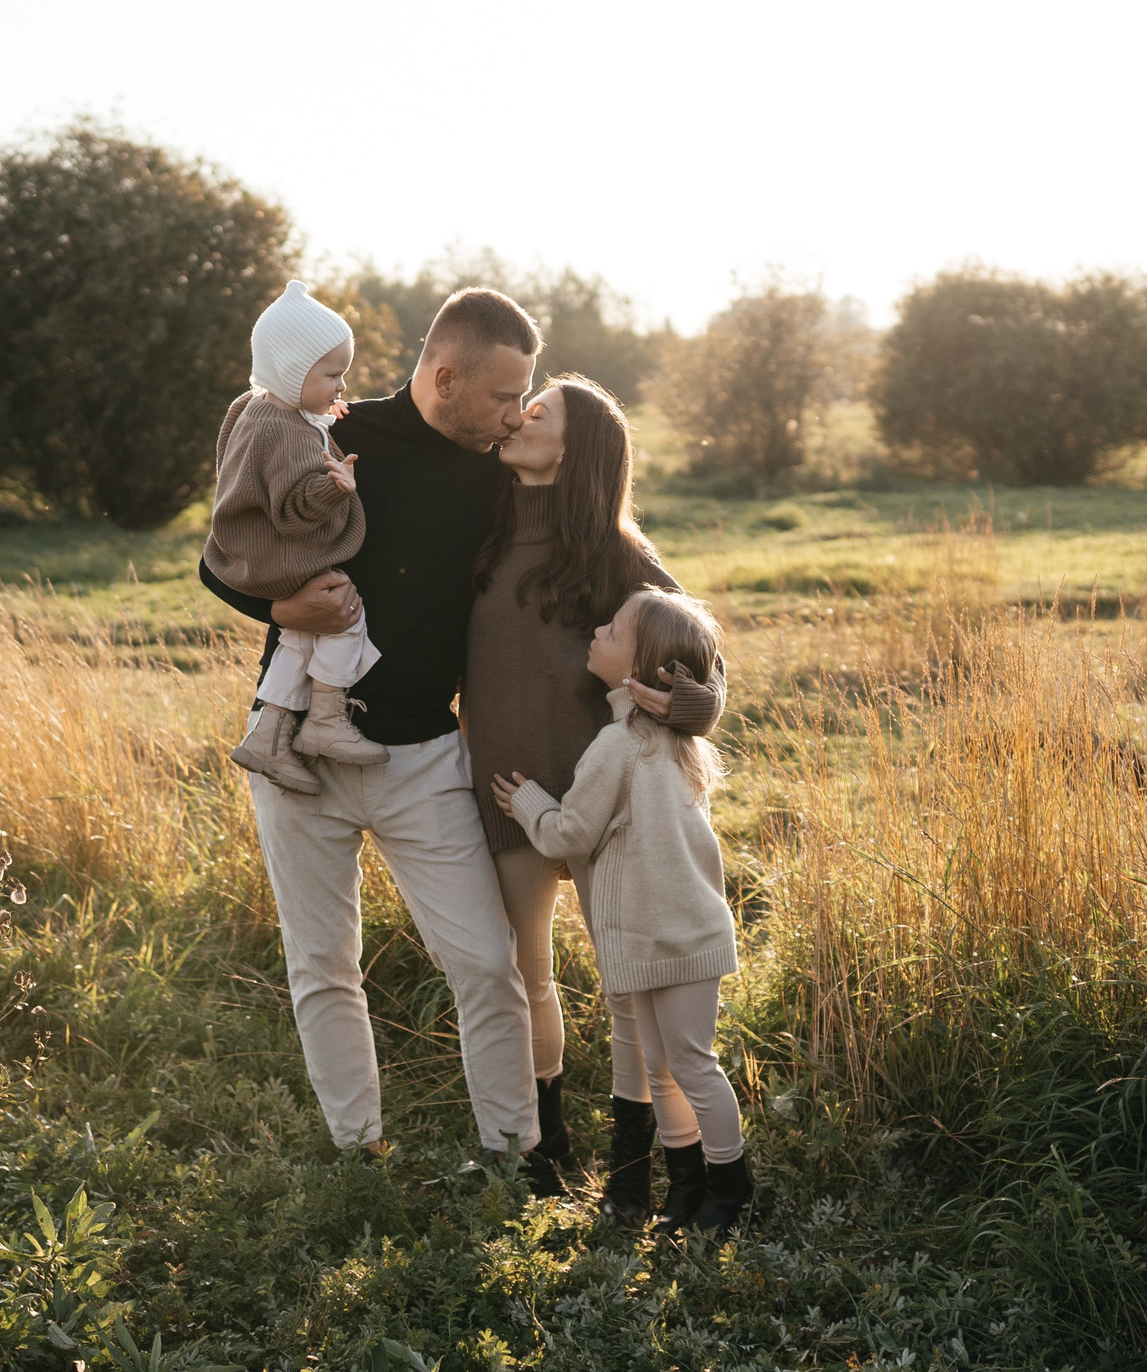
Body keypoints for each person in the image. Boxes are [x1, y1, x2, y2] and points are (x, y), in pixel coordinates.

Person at [199, 287, 551, 1180]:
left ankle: (508, 1157)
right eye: (504, 397)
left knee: (484, 963)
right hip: (297, 758)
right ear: (444, 378)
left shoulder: (497, 477)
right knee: (322, 967)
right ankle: (359, 1156)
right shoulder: (329, 434)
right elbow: (223, 551)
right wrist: (276, 603)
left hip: (424, 756)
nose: (515, 416)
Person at [465, 377, 724, 1219]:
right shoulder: (484, 531)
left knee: (627, 993)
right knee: (522, 977)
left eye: (540, 410)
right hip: (509, 795)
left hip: (609, 812)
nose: (519, 414)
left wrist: (685, 705)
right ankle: (545, 1149)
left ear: (576, 449)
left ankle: (638, 1169)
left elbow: (705, 673)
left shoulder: (619, 556)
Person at [492, 588, 752, 1235]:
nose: (597, 630)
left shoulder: (618, 744)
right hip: (668, 937)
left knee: (689, 1065)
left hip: (673, 939)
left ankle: (729, 1191)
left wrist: (527, 804)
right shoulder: (673, 741)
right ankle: (686, 1191)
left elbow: (567, 834)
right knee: (669, 1068)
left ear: (641, 669)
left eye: (612, 629)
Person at [205, 280, 388, 794]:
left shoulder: (261, 406)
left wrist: (318, 416)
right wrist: (337, 486)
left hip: (249, 551)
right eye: (332, 374)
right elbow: (293, 510)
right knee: (343, 613)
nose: (342, 387)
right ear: (292, 371)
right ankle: (326, 721)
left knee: (300, 636)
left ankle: (268, 735)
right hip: (278, 553)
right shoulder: (284, 429)